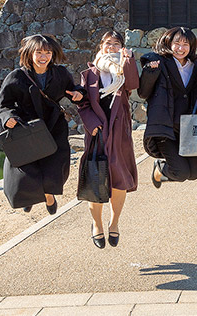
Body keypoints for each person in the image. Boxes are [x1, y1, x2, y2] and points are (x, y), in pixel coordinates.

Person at [0, 34, 84, 213]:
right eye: (39, 52)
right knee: (26, 167)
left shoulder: (60, 73)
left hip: (53, 125)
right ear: (29, 53)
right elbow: (4, 104)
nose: (43, 57)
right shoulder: (17, 76)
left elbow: (72, 89)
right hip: (26, 127)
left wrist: (78, 94)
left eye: (48, 52)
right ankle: (29, 196)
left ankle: (48, 194)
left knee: (54, 164)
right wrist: (8, 118)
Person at [78, 31, 139, 249]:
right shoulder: (89, 73)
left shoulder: (123, 69)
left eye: (116, 44)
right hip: (97, 132)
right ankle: (96, 224)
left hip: (119, 131)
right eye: (107, 43)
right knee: (96, 177)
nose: (111, 47)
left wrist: (128, 60)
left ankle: (114, 223)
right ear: (100, 46)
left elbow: (133, 84)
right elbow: (83, 103)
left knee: (119, 178)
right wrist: (91, 124)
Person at [138, 27, 197, 187]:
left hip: (187, 128)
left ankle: (162, 171)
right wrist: (150, 73)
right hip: (165, 127)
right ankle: (160, 169)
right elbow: (143, 92)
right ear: (168, 42)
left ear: (191, 46)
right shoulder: (157, 62)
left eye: (185, 44)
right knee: (180, 172)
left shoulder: (195, 65)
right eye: (177, 43)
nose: (181, 48)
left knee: (194, 173)